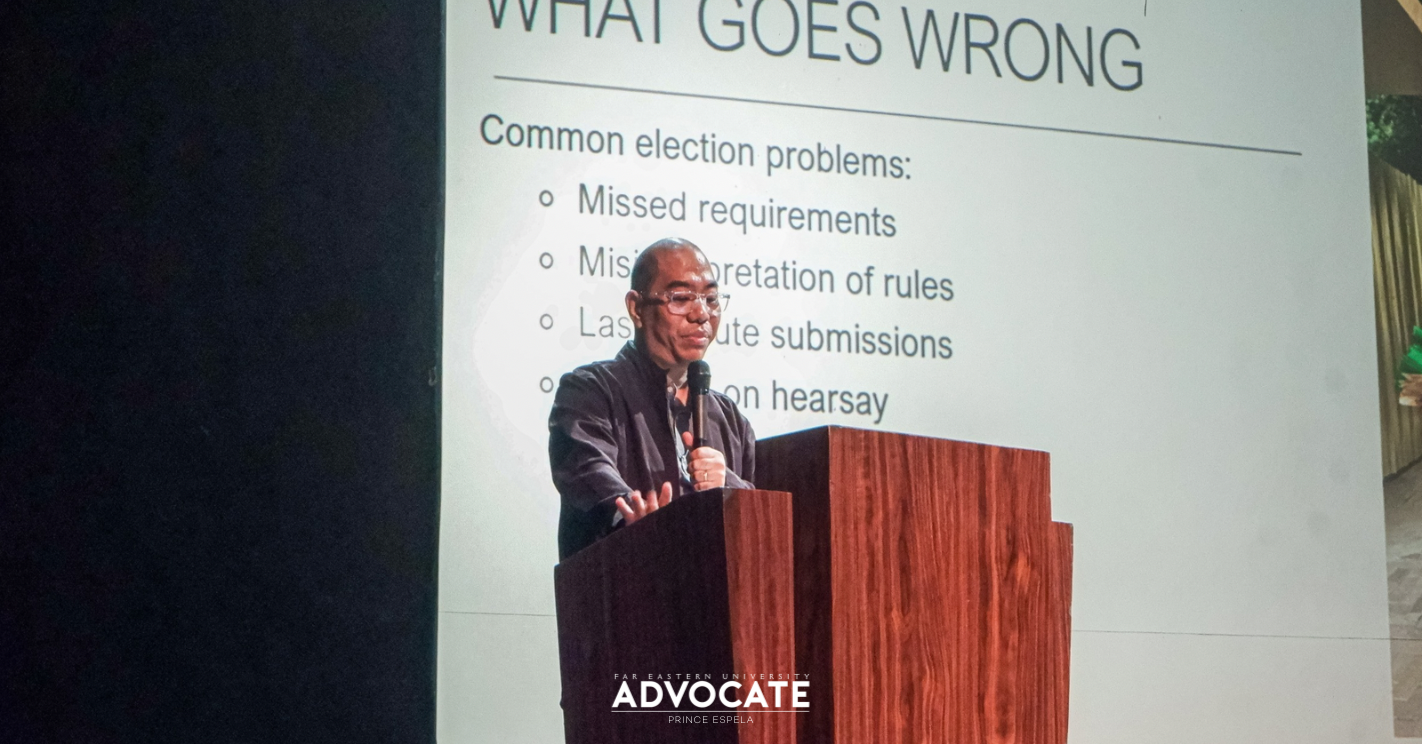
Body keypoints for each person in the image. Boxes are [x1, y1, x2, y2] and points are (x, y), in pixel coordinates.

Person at [548, 238, 756, 560]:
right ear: (636, 308)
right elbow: (588, 473)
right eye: (681, 298)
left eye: (711, 299)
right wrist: (637, 519)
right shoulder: (591, 390)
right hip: (621, 579)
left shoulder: (727, 417)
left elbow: (762, 517)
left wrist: (728, 484)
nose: (702, 314)